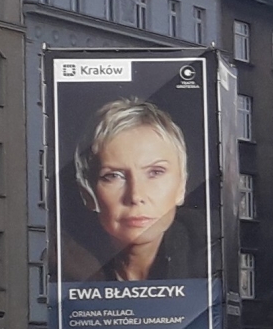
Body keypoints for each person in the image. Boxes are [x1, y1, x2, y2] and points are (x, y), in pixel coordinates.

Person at [74, 98, 199, 283]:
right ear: (87, 192)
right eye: (114, 176)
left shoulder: (211, 258)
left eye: (155, 172)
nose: (135, 195)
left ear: (182, 186)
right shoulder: (66, 269)